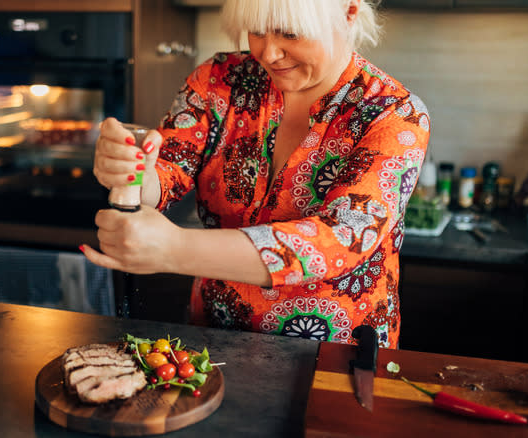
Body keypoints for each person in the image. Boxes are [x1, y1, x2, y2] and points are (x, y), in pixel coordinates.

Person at [82, 0, 430, 348]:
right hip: (215, 335)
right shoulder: (220, 79)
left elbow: (341, 238)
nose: (268, 53)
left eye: (290, 33)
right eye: (257, 31)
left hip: (335, 351)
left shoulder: (395, 114)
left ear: (349, 11)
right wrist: (131, 171)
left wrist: (174, 248)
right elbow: (168, 169)